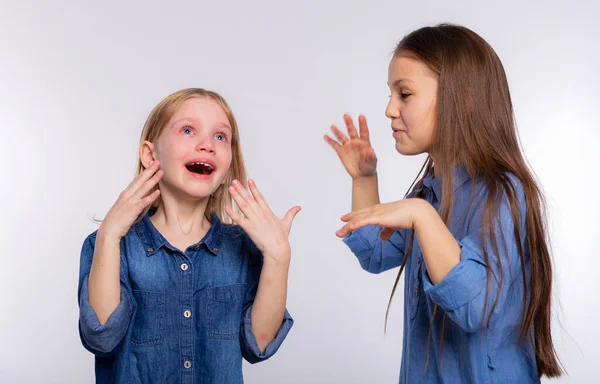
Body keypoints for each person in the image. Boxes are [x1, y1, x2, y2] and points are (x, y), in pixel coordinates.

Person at [325, 24, 562, 383]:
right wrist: (364, 180)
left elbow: (473, 307)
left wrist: (422, 217)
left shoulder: (503, 194)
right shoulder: (429, 192)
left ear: (462, 98)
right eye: (391, 94)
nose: (389, 109)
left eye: (404, 94)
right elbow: (375, 253)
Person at [78, 88, 300, 383]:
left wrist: (278, 258)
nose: (207, 145)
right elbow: (101, 338)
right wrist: (109, 236)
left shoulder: (243, 248)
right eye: (188, 130)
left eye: (220, 137)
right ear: (150, 154)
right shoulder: (109, 244)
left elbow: (258, 345)